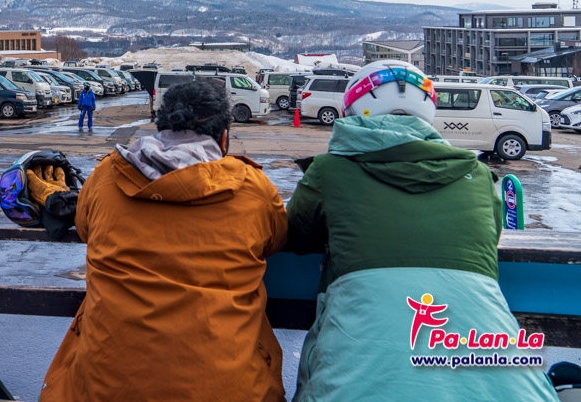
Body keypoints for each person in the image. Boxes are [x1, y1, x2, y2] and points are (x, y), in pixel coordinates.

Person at [286, 61, 558, 401]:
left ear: (350, 111)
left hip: (356, 373)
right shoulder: (476, 173)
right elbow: (490, 234)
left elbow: (297, 235)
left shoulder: (329, 171)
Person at [40, 80, 287, 402]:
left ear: (161, 125)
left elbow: (85, 229)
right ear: (224, 136)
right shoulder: (254, 189)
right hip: (231, 386)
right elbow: (276, 239)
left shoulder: (106, 177)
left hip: (106, 383)